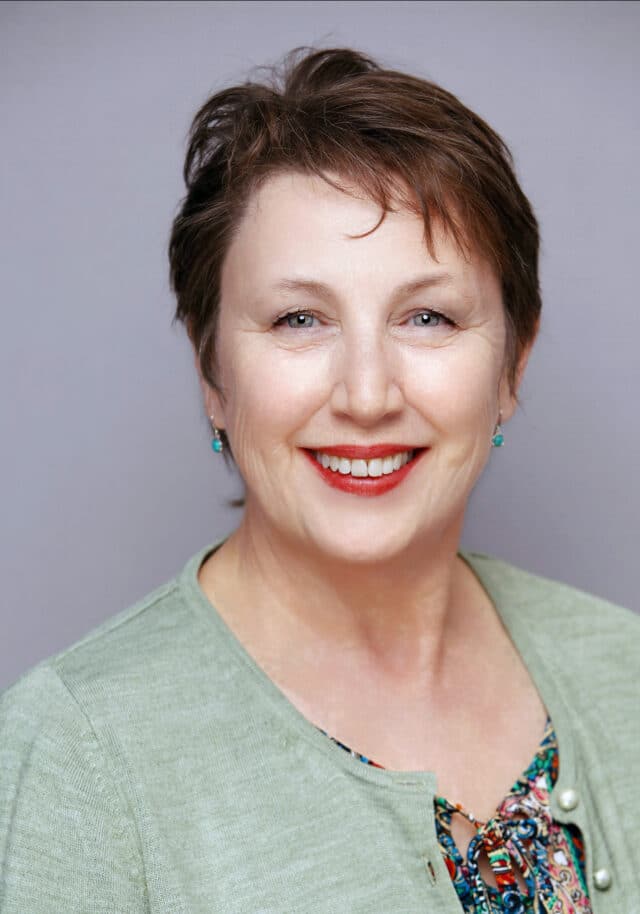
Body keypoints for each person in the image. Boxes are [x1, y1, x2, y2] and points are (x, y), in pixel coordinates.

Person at [1, 46, 638, 914]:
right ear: (213, 372)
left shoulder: (626, 673)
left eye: (428, 316)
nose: (367, 395)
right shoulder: (80, 751)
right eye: (299, 319)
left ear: (512, 368)